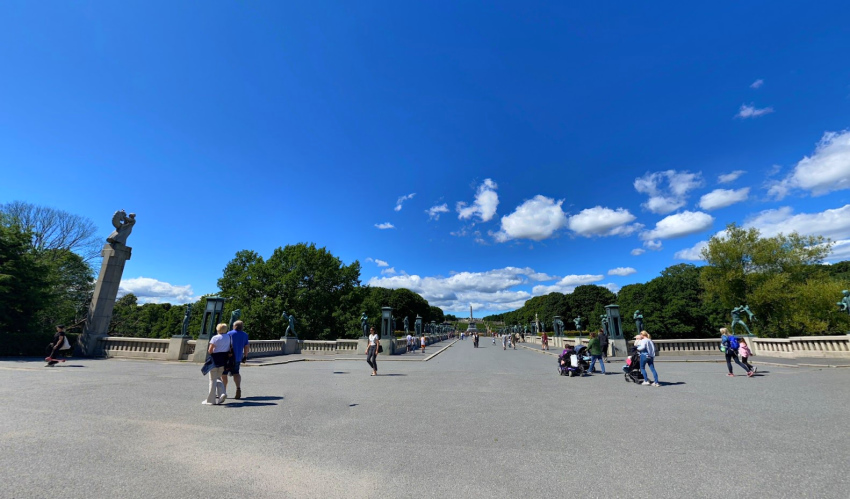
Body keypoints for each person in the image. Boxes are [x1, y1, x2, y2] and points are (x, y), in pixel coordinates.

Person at [204, 324, 231, 405]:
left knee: (212, 379)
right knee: (218, 377)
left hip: (215, 359)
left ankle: (211, 400)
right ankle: (222, 393)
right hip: (223, 359)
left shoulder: (215, 338)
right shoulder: (228, 337)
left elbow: (210, 350)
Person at [223, 320, 250, 400]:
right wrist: (245, 356)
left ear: (234, 326)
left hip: (228, 357)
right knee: (236, 373)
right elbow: (246, 347)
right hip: (238, 357)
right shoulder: (245, 335)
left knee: (224, 374)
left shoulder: (229, 334)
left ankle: (223, 391)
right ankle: (238, 388)